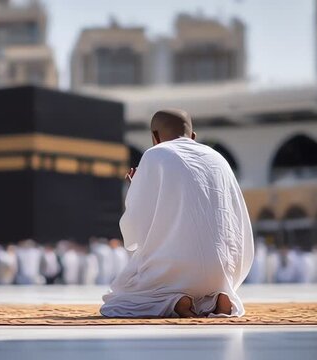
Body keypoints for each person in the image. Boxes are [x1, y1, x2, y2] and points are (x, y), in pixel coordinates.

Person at [101, 109, 254, 318]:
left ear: (154, 137)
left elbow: (134, 230)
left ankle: (175, 300)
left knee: (117, 302)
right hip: (222, 272)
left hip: (174, 270)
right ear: (193, 137)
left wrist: (135, 189)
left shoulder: (155, 154)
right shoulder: (218, 158)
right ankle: (218, 296)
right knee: (207, 287)